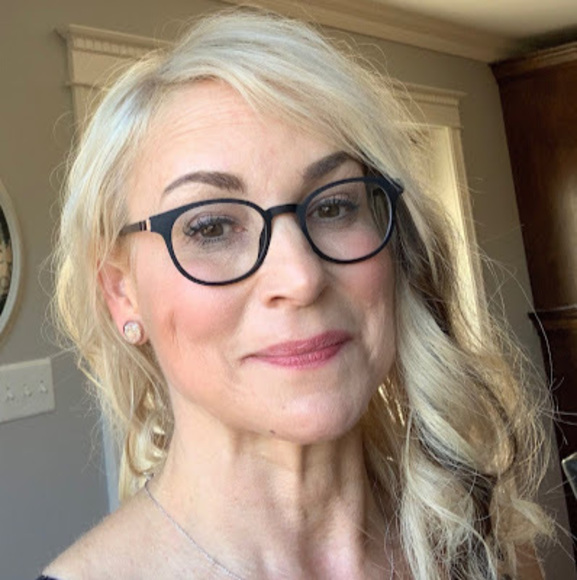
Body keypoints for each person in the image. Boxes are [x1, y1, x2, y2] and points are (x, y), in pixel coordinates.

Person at [40, 8, 552, 580]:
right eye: (211, 227)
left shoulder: (487, 549)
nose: (302, 278)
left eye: (333, 206)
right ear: (121, 293)